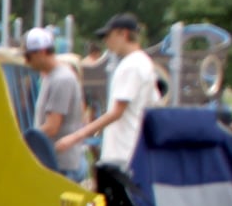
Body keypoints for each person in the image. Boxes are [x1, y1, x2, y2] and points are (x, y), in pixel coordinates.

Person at [56, 12, 160, 179]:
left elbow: (116, 112)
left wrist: (76, 136)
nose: (105, 41)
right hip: (137, 151)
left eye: (108, 36)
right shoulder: (145, 62)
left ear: (123, 34)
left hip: (122, 152)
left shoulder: (131, 66)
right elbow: (154, 102)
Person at [23, 27, 87, 181]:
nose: (26, 61)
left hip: (62, 166)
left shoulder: (61, 79)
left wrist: (22, 142)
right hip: (53, 163)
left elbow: (52, 127)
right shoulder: (50, 77)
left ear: (42, 52)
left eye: (28, 56)